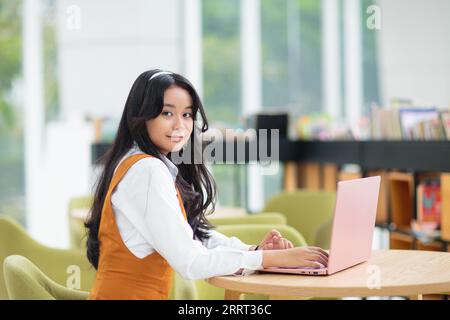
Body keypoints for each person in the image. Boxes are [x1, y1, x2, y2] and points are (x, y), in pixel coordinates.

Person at [85, 69, 328, 300]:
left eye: (187, 114)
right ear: (141, 117)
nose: (180, 125)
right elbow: (190, 261)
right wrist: (268, 259)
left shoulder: (136, 162)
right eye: (167, 113)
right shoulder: (148, 171)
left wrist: (253, 252)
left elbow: (195, 236)